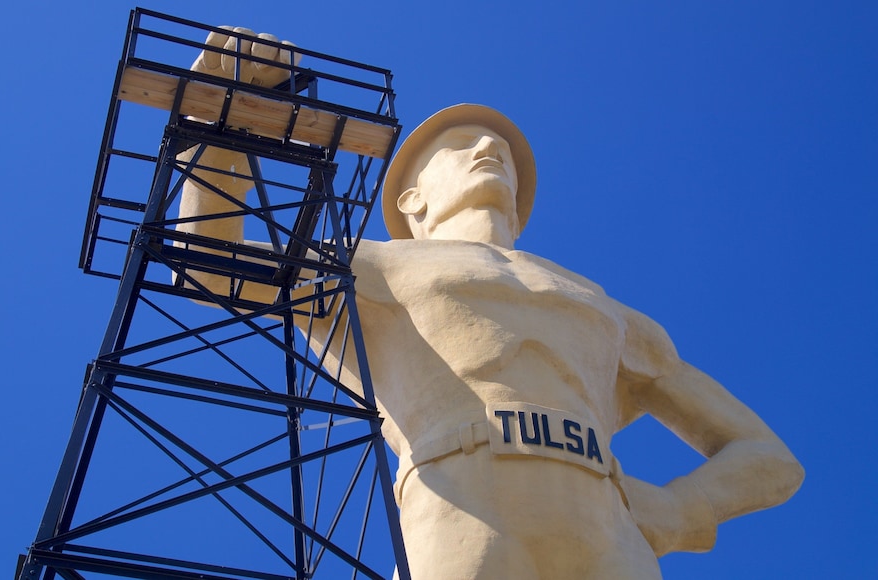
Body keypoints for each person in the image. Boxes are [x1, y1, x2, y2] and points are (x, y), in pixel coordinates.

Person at [178, 29, 804, 579]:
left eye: (495, 145)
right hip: (464, 509)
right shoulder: (369, 263)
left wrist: (681, 508)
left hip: (606, 531)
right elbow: (209, 262)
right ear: (413, 201)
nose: (488, 149)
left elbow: (767, 457)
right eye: (457, 145)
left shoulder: (605, 309)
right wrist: (221, 122)